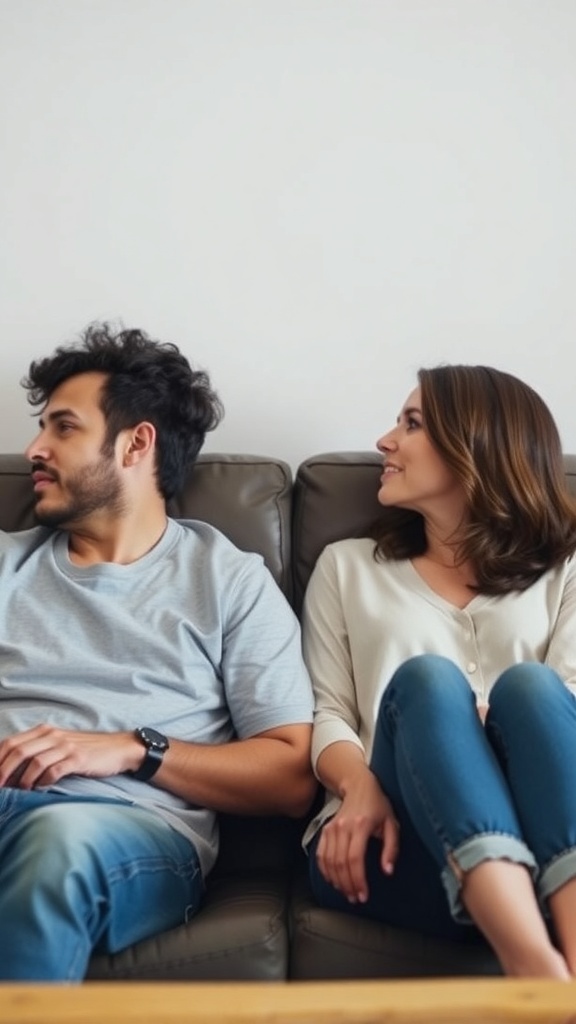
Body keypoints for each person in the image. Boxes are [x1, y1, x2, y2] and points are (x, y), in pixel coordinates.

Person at [0, 322, 315, 981]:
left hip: (121, 829)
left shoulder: (229, 580)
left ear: (136, 443)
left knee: (58, 846)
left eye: (63, 427)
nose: (35, 447)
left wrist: (132, 748)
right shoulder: (7, 565)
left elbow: (290, 775)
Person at [302, 363, 576, 979]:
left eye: (412, 424)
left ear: (476, 445)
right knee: (427, 681)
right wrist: (359, 786)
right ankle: (537, 971)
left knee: (533, 688)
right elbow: (330, 714)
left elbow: (567, 712)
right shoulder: (347, 568)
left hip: (548, 839)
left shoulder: (567, 567)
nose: (385, 440)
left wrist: (485, 724)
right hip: (390, 842)